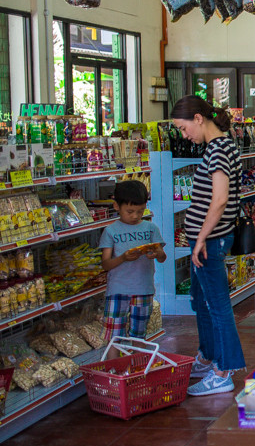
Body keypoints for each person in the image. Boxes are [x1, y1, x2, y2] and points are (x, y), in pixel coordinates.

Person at [171, 95, 245, 396]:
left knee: (216, 304)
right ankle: (209, 355)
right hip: (207, 240)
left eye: (184, 128)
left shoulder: (218, 149)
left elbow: (220, 198)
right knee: (200, 300)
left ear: (198, 118)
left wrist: (200, 238)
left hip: (210, 241)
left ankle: (223, 369)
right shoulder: (221, 146)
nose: (184, 135)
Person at [99, 180, 166, 342]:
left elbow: (163, 257)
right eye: (130, 211)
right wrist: (123, 258)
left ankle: (137, 366)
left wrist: (156, 253)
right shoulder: (111, 231)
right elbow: (105, 264)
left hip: (144, 289)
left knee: (139, 337)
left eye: (140, 211)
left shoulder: (151, 229)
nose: (135, 216)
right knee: (114, 338)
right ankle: (114, 367)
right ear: (116, 206)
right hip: (117, 291)